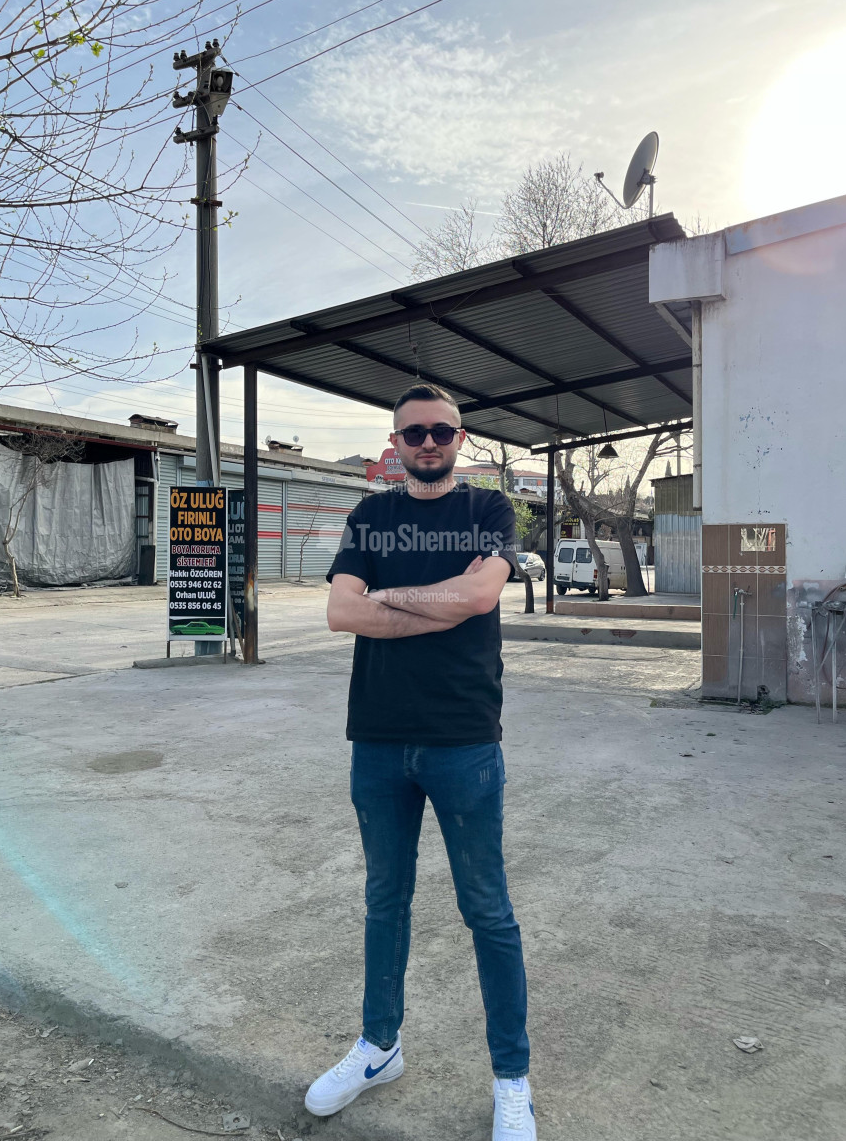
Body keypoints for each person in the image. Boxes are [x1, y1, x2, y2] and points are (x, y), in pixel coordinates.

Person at [306, 383, 536, 1141]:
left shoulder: (489, 511)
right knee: (385, 901)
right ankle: (380, 1047)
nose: (429, 443)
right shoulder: (369, 515)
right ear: (395, 443)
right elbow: (342, 611)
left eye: (441, 431)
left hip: (463, 737)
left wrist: (393, 598)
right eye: (414, 433)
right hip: (377, 738)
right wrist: (443, 598)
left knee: (487, 910)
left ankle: (511, 1079)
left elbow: (481, 598)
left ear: (460, 439)